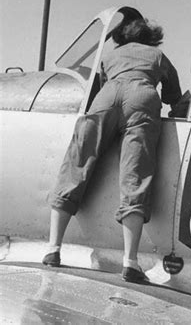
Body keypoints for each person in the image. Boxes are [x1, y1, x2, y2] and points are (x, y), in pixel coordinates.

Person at [41, 17, 182, 283]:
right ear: (151, 37)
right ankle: (130, 263)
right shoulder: (157, 55)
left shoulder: (112, 54)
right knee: (136, 175)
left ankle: (53, 249)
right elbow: (174, 96)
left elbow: (102, 81)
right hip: (142, 96)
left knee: (78, 160)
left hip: (106, 96)